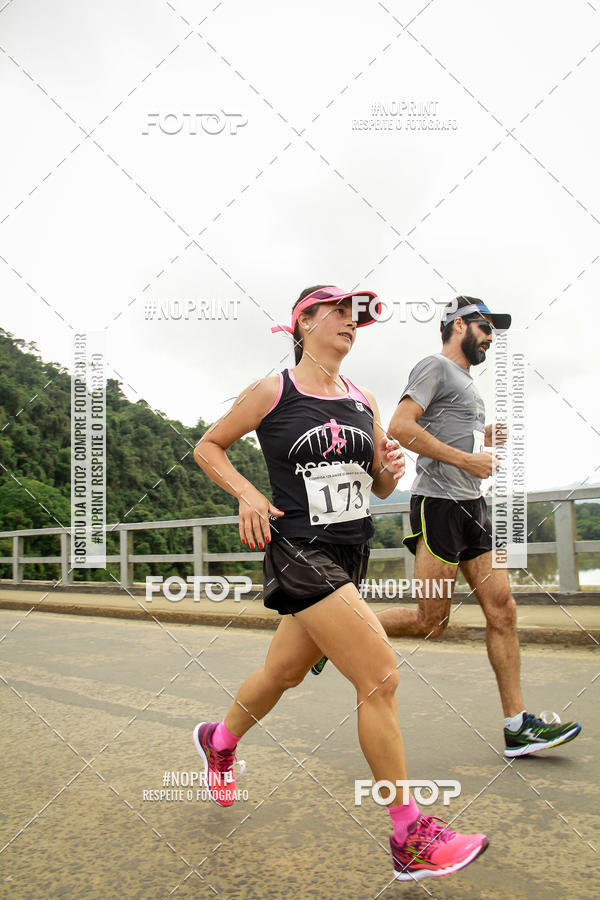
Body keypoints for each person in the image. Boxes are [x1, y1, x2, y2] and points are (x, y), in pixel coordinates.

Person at [192, 285, 489, 881]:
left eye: (358, 318)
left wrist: (387, 469)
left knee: (284, 672)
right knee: (380, 675)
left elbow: (377, 487)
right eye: (340, 313)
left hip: (352, 552)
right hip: (299, 550)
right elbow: (209, 446)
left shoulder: (364, 398)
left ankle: (219, 741)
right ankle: (409, 835)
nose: (352, 324)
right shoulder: (272, 390)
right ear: (303, 322)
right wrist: (248, 493)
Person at [377, 296, 582, 757]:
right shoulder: (434, 366)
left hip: (474, 507)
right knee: (432, 623)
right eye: (485, 326)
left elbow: (444, 430)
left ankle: (517, 726)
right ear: (457, 325)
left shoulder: (467, 384)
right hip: (439, 506)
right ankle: (340, 633)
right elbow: (401, 426)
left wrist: (481, 438)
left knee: (502, 609)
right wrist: (467, 457)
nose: (490, 336)